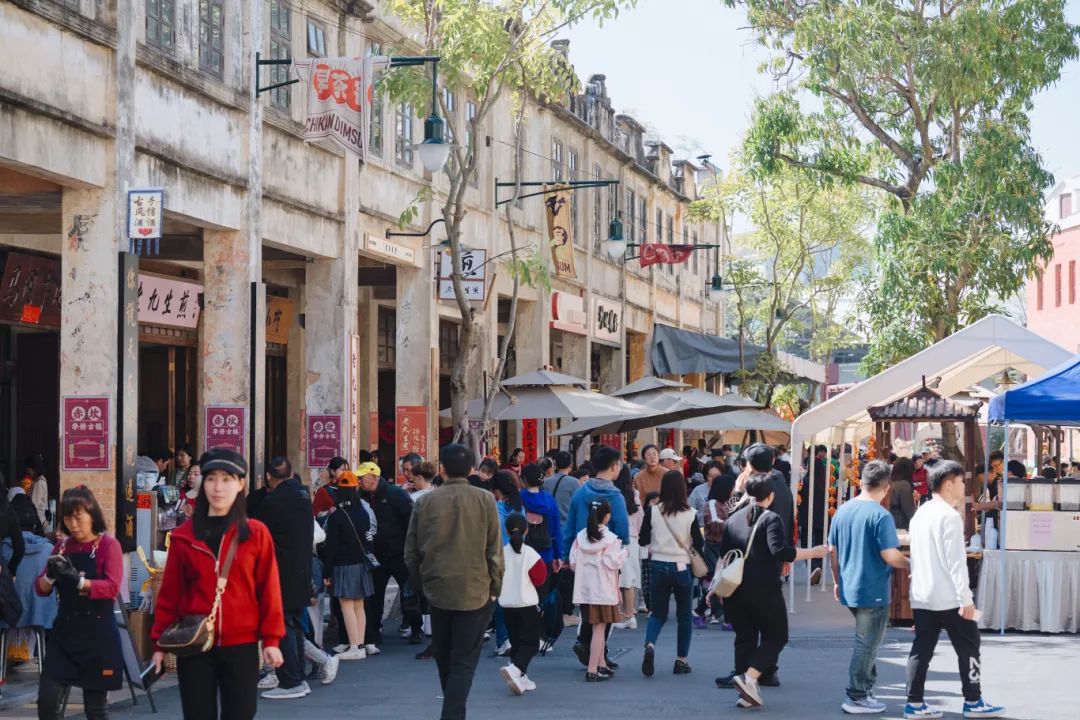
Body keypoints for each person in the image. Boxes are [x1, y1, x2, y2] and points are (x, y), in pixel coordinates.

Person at [151, 448, 285, 720]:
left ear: (241, 484)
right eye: (211, 478)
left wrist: (271, 640)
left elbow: (268, 590)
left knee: (241, 713)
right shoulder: (184, 536)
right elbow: (170, 594)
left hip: (242, 643)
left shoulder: (255, 534)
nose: (218, 487)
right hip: (195, 643)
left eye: (227, 479)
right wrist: (158, 644)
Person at [405, 443, 502, 720]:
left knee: (445, 656)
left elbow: (411, 553)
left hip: (437, 589)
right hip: (476, 589)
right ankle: (453, 713)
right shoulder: (485, 500)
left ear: (442, 469)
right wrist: (495, 586)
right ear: (471, 469)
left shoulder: (425, 502)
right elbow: (494, 549)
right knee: (463, 660)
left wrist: (422, 585)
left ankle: (452, 712)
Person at [717, 473, 830, 708]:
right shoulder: (771, 519)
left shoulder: (733, 518)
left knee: (745, 638)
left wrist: (714, 587)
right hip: (764, 589)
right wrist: (813, 552)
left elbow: (724, 556)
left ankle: (745, 692)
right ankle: (749, 678)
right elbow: (781, 551)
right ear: (770, 496)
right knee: (777, 636)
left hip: (735, 588)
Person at [904, 461, 1004, 720]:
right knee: (970, 645)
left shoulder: (921, 513)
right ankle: (973, 699)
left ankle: (914, 702)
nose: (963, 486)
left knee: (922, 649)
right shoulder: (949, 517)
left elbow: (916, 555)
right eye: (960, 482)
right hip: (949, 597)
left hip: (923, 595)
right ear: (948, 484)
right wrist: (965, 598)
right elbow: (956, 563)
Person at [828, 460, 910, 715]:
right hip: (872, 588)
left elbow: (833, 551)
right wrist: (912, 564)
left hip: (850, 585)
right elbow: (890, 555)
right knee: (867, 644)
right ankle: (857, 695)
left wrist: (837, 580)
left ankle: (865, 690)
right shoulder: (880, 515)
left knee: (868, 642)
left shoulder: (842, 510)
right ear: (886, 486)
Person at [35, 486, 124, 720]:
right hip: (64, 634)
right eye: (67, 519)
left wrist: (80, 582)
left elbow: (112, 587)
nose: (73, 525)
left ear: (92, 514)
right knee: (47, 701)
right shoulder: (62, 546)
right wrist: (50, 575)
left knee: (95, 710)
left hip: (98, 636)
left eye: (78, 517)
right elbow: (41, 589)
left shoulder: (108, 546)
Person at [248, 457, 317, 699]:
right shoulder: (303, 494)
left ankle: (290, 681)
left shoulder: (274, 501)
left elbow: (256, 532)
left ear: (268, 477)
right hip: (302, 568)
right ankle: (298, 677)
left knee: (283, 624)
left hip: (281, 570)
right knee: (295, 624)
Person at [562, 446, 629, 668]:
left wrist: (565, 556)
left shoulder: (580, 493)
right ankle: (595, 652)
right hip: (607, 560)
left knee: (587, 606)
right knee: (606, 609)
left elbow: (569, 527)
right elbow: (623, 531)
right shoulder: (616, 497)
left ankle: (593, 649)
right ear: (614, 466)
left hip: (581, 557)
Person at [638, 470, 703, 677]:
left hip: (658, 564)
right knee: (684, 615)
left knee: (658, 613)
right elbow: (699, 543)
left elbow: (642, 539)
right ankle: (681, 660)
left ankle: (650, 644)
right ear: (683, 488)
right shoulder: (691, 513)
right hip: (682, 566)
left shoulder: (653, 511)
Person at [358, 461, 421, 647]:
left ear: (375, 477)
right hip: (377, 555)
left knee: (409, 593)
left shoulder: (395, 494)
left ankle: (415, 628)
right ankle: (374, 631)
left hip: (400, 553)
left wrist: (411, 549)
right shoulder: (361, 496)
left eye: (363, 477)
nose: (360, 481)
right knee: (374, 595)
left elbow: (411, 522)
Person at [569, 499, 627, 682]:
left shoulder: (580, 537)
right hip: (604, 590)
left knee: (595, 627)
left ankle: (601, 664)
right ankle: (593, 669)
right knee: (600, 630)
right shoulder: (610, 539)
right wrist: (625, 553)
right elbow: (613, 562)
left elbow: (573, 562)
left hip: (585, 590)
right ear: (607, 516)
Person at [322, 470, 377, 660]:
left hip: (343, 565)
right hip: (361, 564)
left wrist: (327, 572)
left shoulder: (337, 516)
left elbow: (331, 547)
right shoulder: (363, 513)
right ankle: (359, 645)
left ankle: (354, 646)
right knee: (359, 605)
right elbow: (369, 541)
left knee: (346, 606)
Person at [497, 513, 547, 695]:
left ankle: (521, 677)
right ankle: (516, 668)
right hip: (526, 603)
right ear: (526, 530)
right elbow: (540, 578)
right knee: (531, 643)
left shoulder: (501, 553)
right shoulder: (530, 554)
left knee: (516, 642)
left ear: (506, 531)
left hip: (507, 604)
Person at [697, 473, 737, 625]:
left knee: (718, 582)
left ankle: (698, 612)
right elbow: (715, 524)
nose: (733, 491)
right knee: (719, 582)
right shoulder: (713, 504)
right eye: (732, 488)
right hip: (714, 548)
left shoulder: (722, 503)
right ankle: (724, 617)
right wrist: (734, 523)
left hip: (721, 548)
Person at [612, 464, 642, 629]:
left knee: (617, 578)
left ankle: (624, 614)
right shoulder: (634, 494)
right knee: (629, 579)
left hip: (616, 539)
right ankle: (629, 614)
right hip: (632, 539)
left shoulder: (613, 495)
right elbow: (640, 518)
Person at [520, 463, 562, 572]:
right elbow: (556, 530)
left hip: (524, 554)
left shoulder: (519, 498)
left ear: (524, 479)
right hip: (546, 554)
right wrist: (558, 555)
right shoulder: (549, 499)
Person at [799, 444, 829, 583]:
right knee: (820, 541)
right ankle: (819, 566)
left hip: (807, 516)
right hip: (821, 516)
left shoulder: (805, 482)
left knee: (806, 542)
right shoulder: (824, 483)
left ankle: (813, 567)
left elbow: (800, 498)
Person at [542, 450, 577, 525]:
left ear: (555, 464)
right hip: (566, 525)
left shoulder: (545, 482)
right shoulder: (574, 482)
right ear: (571, 464)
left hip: (548, 524)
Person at [889, 458, 918, 531]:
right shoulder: (904, 485)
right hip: (901, 525)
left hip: (891, 522)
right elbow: (909, 511)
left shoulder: (890, 483)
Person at [23, 455, 49, 530]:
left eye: (28, 468)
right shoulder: (37, 481)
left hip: (37, 521)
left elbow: (34, 504)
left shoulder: (39, 483)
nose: (27, 471)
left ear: (34, 469)